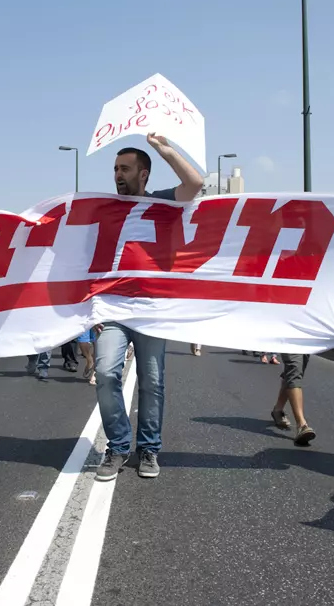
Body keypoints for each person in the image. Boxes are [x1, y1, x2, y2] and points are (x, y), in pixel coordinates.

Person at [94, 133, 204, 481]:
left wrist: (165, 150)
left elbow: (196, 184)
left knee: (152, 382)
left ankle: (149, 449)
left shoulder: (163, 203)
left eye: (125, 169)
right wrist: (93, 308)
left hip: (152, 312)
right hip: (114, 310)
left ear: (144, 174)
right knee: (106, 372)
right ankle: (118, 446)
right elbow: (90, 260)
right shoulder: (105, 210)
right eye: (114, 169)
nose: (117, 175)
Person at [270, 354, 316, 444]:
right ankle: (301, 425)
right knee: (294, 370)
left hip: (306, 341)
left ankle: (278, 410)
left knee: (296, 371)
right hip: (287, 340)